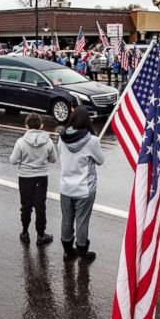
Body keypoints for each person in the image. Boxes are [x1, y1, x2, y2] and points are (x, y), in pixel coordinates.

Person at [58, 106, 104, 262]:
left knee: (66, 219)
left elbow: (61, 156)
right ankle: (82, 250)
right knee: (82, 221)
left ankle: (67, 251)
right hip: (85, 189)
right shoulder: (92, 140)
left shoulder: (62, 137)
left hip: (65, 187)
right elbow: (100, 161)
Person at [9, 113, 56, 245]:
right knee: (40, 206)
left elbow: (13, 160)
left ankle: (25, 232)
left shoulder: (21, 142)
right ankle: (41, 235)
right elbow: (53, 159)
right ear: (41, 126)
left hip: (25, 178)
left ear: (26, 126)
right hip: (41, 178)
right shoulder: (48, 141)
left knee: (26, 206)